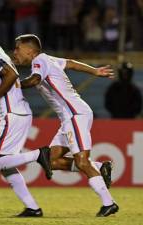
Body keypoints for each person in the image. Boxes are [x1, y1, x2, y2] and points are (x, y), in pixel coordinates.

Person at [13, 34, 119, 217]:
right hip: (68, 119)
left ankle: (109, 203)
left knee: (82, 161)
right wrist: (94, 71)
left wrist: (12, 85)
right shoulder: (47, 59)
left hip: (75, 114)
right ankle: (100, 167)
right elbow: (69, 63)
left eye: (17, 48)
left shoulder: (39, 61)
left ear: (29, 51)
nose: (15, 52)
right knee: (51, 161)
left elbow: (35, 80)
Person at [0, 18, 52, 217]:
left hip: (13, 114)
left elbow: (11, 75)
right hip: (18, 112)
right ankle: (33, 208)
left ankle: (38, 155)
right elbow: (9, 75)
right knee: (6, 165)